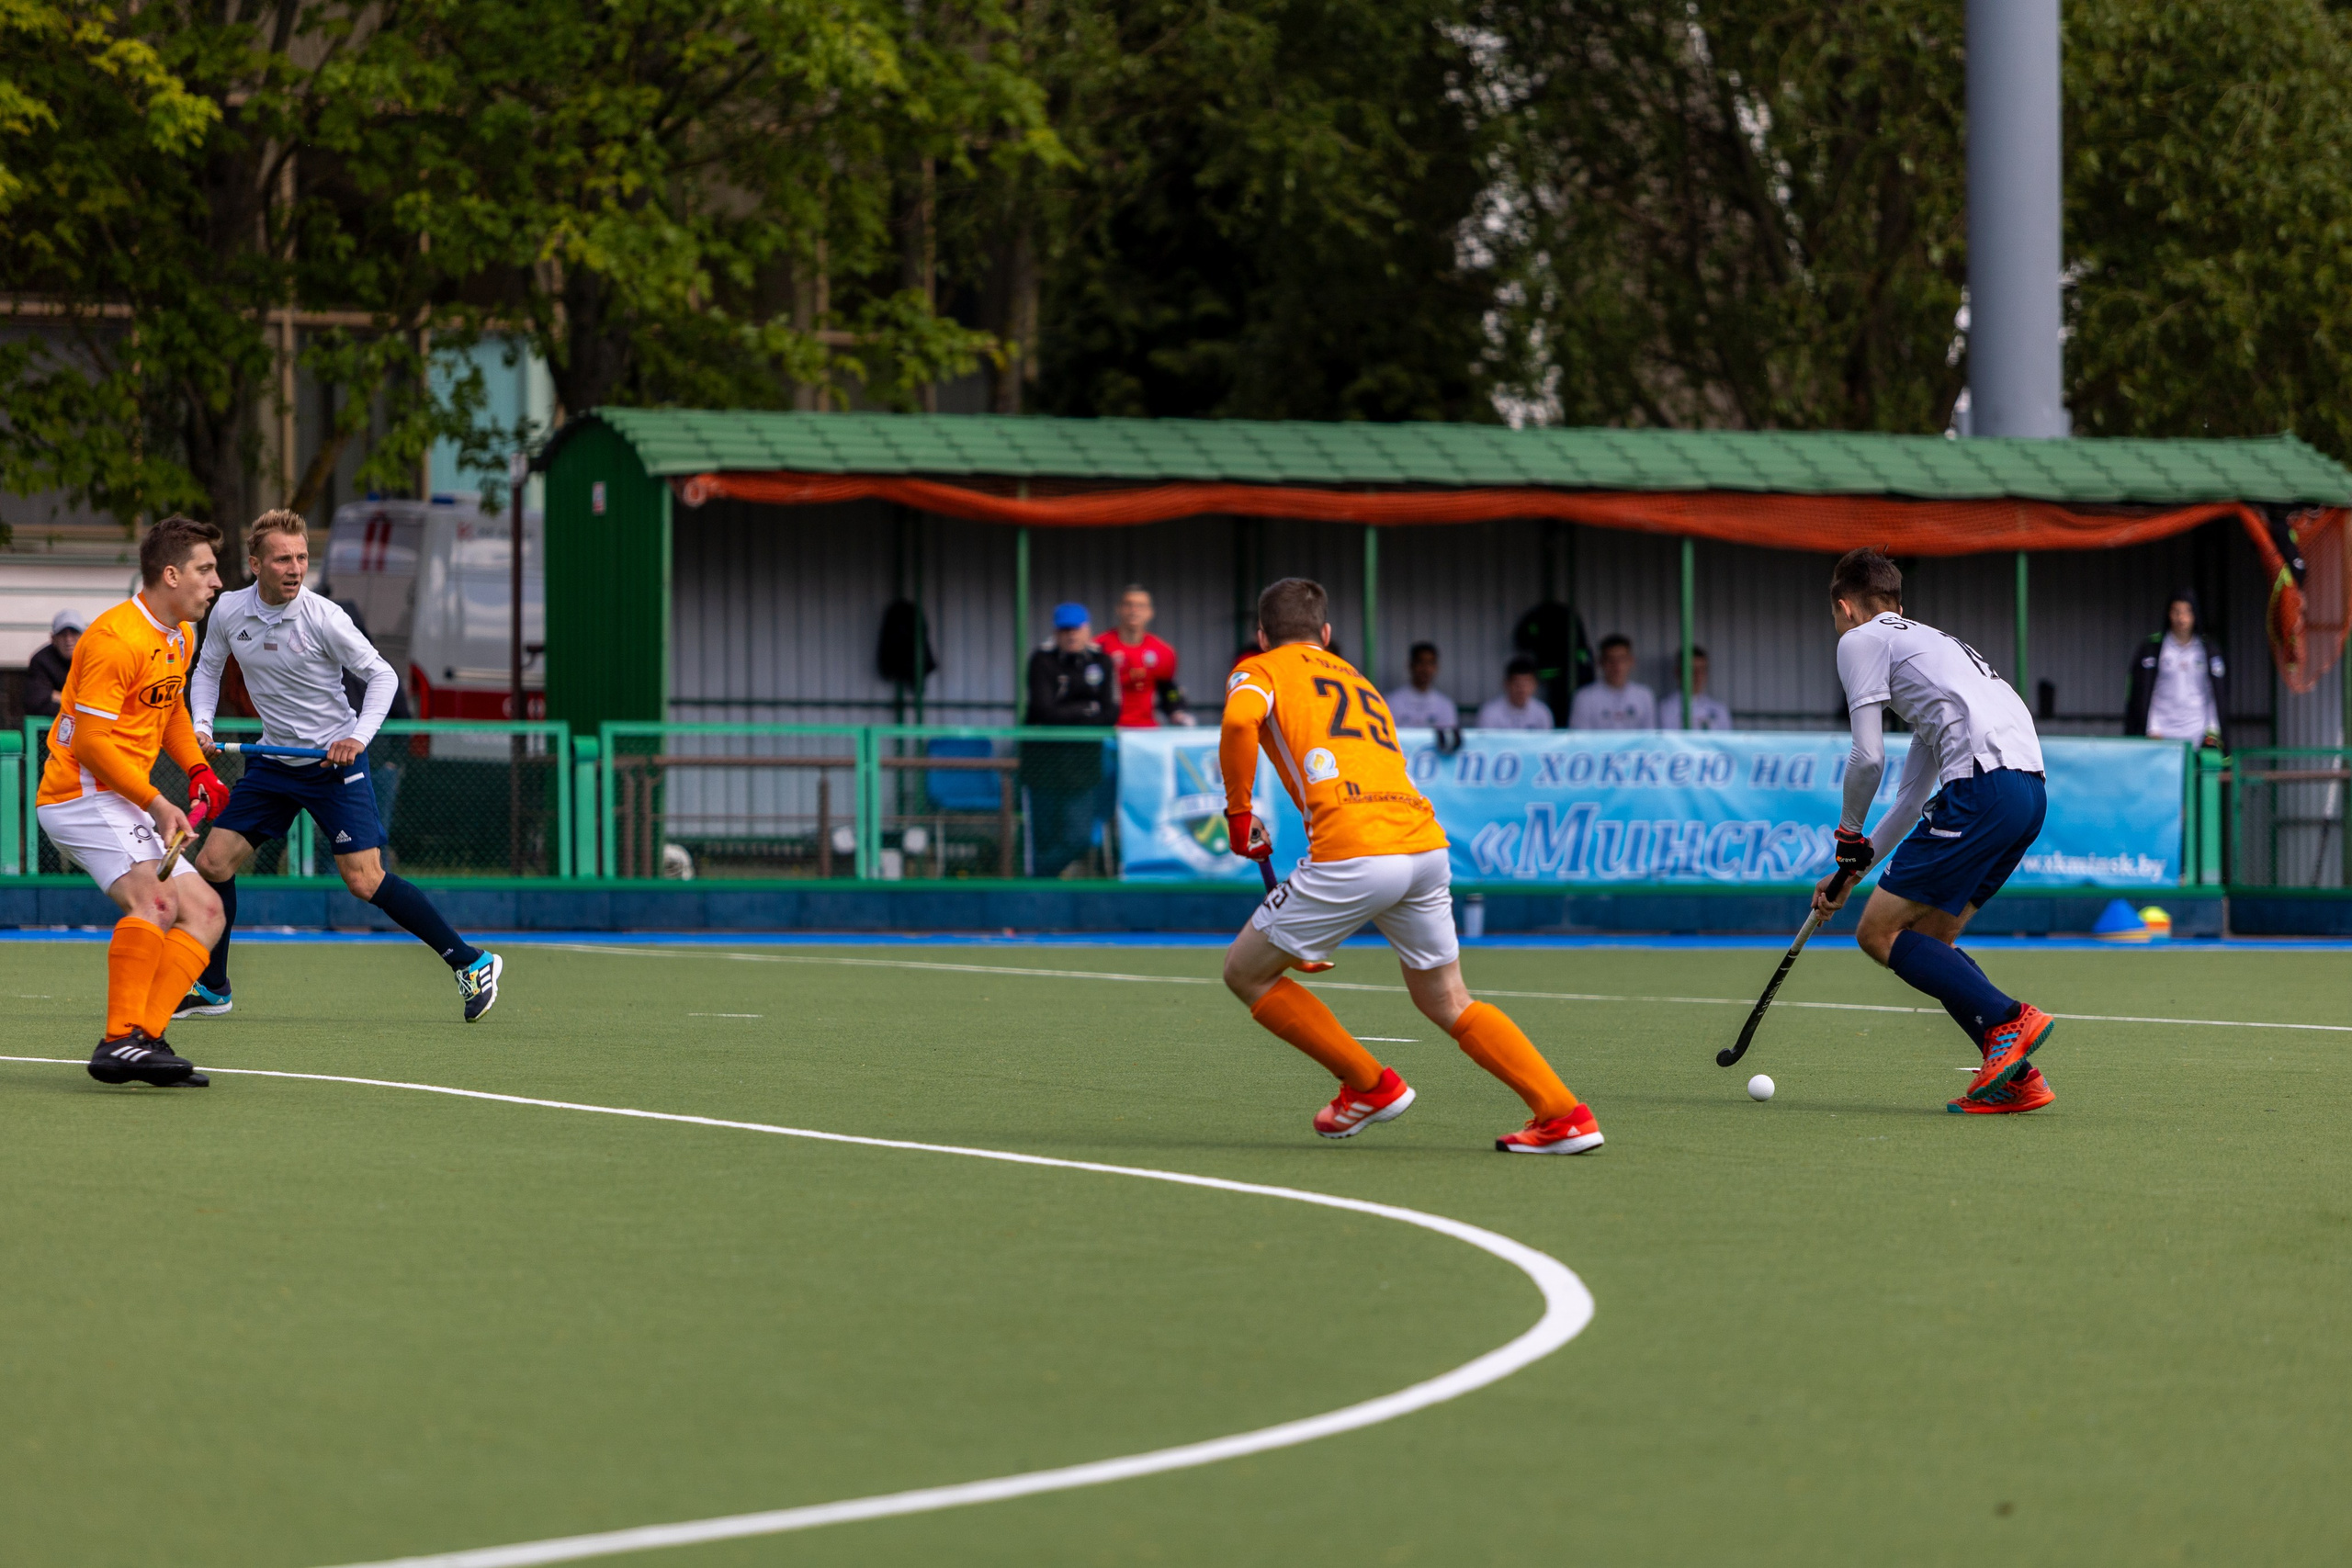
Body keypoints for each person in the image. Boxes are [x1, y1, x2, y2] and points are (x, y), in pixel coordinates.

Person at [1219, 576, 1603, 1153]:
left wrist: (1239, 813)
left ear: (1261, 635)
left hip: (1356, 851)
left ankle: (1369, 1086)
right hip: (1423, 846)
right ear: (1326, 633)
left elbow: (1236, 722)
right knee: (1448, 998)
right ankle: (1563, 1113)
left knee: (1245, 973)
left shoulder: (1261, 668)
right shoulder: (1359, 680)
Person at [185, 511, 502, 1021]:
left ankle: (472, 962)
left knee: (365, 880)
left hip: (332, 766)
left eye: (302, 557)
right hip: (272, 760)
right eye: (283, 559)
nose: (295, 568)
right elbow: (208, 671)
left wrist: (356, 736)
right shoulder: (227, 612)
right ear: (254, 565)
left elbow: (382, 676)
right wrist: (201, 724)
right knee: (213, 863)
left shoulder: (324, 617)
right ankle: (215, 986)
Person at [1810, 548, 2055, 1115]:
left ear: (1845, 608)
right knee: (1931, 938)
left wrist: (1848, 834)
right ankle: (2017, 1079)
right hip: (2027, 795)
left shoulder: (1860, 639)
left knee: (1877, 934)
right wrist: (1852, 871)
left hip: (1982, 789)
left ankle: (2009, 1018)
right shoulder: (1934, 654)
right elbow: (1910, 800)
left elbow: (1867, 758)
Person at [33, 515, 229, 1088]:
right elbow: (92, 744)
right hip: (79, 794)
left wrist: (195, 767)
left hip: (118, 796)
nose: (216, 582)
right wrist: (157, 801)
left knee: (207, 914)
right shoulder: (115, 639)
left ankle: (144, 1036)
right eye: (206, 569)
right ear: (171, 575)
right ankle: (120, 1040)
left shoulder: (180, 635)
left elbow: (168, 710)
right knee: (159, 907)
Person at [1023, 601, 1117, 876]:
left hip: (1083, 766)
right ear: (1056, 632)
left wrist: (1066, 712)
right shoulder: (1042, 659)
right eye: (1064, 630)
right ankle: (1041, 910)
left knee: (1078, 838)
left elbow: (1111, 711)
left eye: (1076, 629)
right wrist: (1086, 709)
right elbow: (1043, 709)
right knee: (1045, 839)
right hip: (1043, 766)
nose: (1071, 635)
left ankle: (1036, 880)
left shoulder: (1101, 660)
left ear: (1087, 630)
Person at [2124, 590, 2225, 746]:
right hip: (2161, 733)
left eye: (2187, 612)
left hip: (2198, 733)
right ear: (2168, 614)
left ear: (2195, 615)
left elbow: (2214, 693)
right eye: (2176, 612)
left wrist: (2212, 730)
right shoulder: (2152, 649)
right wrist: (2151, 728)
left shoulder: (2209, 650)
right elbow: (2144, 691)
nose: (2181, 618)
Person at [1094, 584, 1192, 727]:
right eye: (1129, 605)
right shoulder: (1099, 647)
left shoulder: (1163, 651)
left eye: (1141, 606)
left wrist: (1177, 711)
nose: (1134, 610)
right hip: (1108, 730)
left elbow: (1168, 690)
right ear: (1118, 609)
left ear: (1150, 612)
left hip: (1146, 731)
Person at [1567, 634, 1657, 728]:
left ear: (1631, 661)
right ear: (1600, 663)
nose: (1617, 667)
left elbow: (1650, 735)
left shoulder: (1644, 696)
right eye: (1611, 660)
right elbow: (1580, 737)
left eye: (1622, 660)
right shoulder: (1585, 697)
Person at [1657, 645, 1734, 730]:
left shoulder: (1719, 709)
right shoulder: (1665, 709)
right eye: (1691, 670)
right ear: (1677, 672)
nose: (1697, 676)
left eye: (1701, 670)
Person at [25, 609, 84, 719]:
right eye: (62, 635)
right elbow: (36, 703)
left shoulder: (93, 659)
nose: (68, 639)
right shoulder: (41, 660)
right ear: (53, 638)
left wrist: (58, 696)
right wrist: (78, 703)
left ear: (83, 637)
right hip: (51, 728)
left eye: (74, 633)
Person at [1385, 641, 1459, 728]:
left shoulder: (1445, 705)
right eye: (1420, 662)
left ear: (1436, 667)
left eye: (1430, 663)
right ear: (1410, 665)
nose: (1425, 669)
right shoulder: (1392, 702)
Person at [1473, 655, 1555, 730]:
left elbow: (1546, 744)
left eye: (1527, 683)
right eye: (1517, 683)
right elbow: (1484, 743)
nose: (1522, 689)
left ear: (1535, 685)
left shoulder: (1542, 713)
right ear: (1506, 684)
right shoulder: (1489, 712)